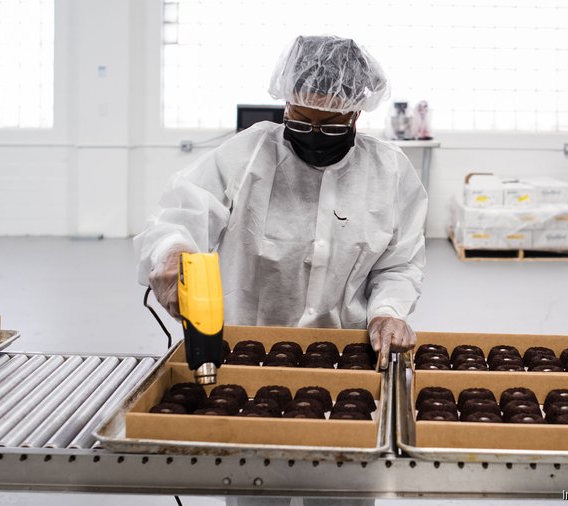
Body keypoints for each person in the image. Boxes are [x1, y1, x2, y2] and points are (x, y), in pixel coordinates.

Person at [134, 35, 427, 505]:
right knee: (254, 488)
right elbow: (178, 216)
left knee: (342, 489)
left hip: (346, 361)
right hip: (248, 356)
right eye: (300, 119)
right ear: (285, 102)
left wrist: (387, 311)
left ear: (357, 113)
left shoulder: (390, 172)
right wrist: (172, 252)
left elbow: (400, 262)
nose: (314, 134)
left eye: (331, 125)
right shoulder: (246, 155)